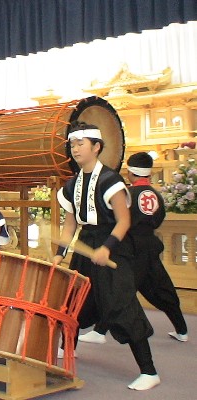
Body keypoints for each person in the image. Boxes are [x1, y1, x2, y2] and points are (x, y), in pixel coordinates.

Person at [53, 122, 160, 391]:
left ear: (96, 147)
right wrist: (59, 254)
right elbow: (70, 225)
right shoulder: (72, 185)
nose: (75, 149)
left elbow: (123, 221)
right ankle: (68, 349)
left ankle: (149, 370)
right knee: (73, 301)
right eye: (73, 144)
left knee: (121, 304)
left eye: (81, 144)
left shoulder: (110, 180)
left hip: (113, 245)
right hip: (86, 244)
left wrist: (107, 247)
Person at [78, 152, 188, 344]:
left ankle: (100, 331)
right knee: (163, 289)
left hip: (129, 249)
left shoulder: (126, 195)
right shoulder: (156, 195)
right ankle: (182, 330)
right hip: (150, 246)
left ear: (130, 173)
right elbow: (159, 218)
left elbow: (118, 221)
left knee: (117, 291)